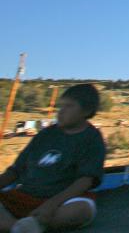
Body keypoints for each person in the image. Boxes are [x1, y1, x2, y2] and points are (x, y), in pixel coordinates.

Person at [0, 84, 106, 233]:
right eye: (60, 106)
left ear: (86, 111)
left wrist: (52, 204)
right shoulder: (45, 135)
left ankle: (24, 225)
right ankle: (20, 227)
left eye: (69, 106)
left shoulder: (92, 138)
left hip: (63, 200)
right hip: (25, 196)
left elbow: (86, 180)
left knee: (81, 210)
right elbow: (15, 171)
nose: (61, 112)